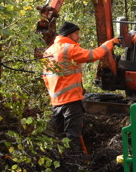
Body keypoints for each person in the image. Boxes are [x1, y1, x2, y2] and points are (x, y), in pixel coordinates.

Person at [42, 21, 120, 156]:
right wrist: (110, 43)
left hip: (56, 102)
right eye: (76, 33)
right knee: (73, 136)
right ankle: (75, 162)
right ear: (69, 35)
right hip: (71, 101)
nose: (79, 36)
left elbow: (46, 77)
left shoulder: (48, 51)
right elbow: (92, 55)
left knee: (59, 135)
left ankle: (60, 160)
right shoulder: (69, 48)